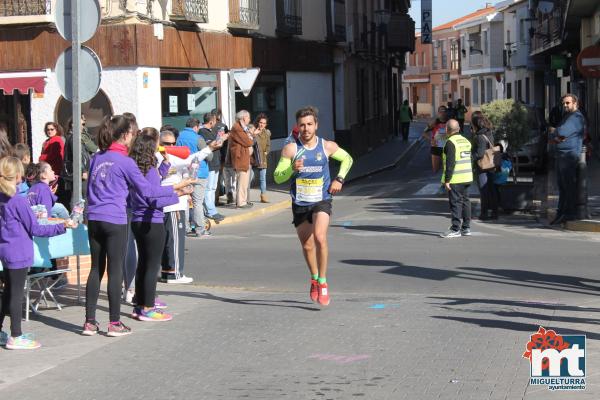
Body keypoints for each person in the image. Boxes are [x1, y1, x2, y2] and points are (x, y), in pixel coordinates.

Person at [83, 115, 190, 337]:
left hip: (93, 217)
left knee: (95, 269)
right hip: (114, 218)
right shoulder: (126, 162)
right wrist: (176, 188)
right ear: (125, 135)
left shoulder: (97, 157)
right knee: (114, 270)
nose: (134, 138)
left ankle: (90, 322)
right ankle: (114, 323)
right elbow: (148, 192)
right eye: (132, 134)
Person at [273, 106, 353, 306]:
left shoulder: (326, 146)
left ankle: (324, 282)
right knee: (307, 246)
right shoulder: (291, 149)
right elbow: (277, 176)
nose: (306, 128)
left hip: (321, 200)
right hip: (300, 203)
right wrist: (291, 169)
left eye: (310, 124)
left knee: (320, 237)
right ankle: (314, 278)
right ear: (297, 127)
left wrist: (339, 179)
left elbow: (348, 159)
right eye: (302, 125)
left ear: (316, 125)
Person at [0, 157, 76, 350]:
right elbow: (37, 228)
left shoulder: (5, 198)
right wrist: (63, 225)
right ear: (17, 175)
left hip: (6, 249)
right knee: (16, 294)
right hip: (18, 251)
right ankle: (15, 335)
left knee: (9, 292)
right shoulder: (18, 200)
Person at [129, 128, 191, 322]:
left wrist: (164, 165)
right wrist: (178, 194)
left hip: (138, 220)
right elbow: (155, 198)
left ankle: (139, 304)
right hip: (152, 221)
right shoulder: (149, 170)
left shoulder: (138, 169)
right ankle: (148, 308)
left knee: (143, 265)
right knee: (151, 266)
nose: (160, 147)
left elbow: (152, 187)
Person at [158, 129, 218, 284]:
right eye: (167, 144)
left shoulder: (169, 156)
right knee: (174, 240)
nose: (170, 146)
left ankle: (168, 272)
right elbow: (192, 158)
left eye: (173, 143)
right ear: (160, 144)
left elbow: (190, 161)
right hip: (172, 203)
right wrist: (209, 149)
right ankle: (174, 273)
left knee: (169, 240)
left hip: (174, 201)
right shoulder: (161, 156)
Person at [548, 93, 586, 225]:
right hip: (561, 154)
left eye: (568, 103)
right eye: (564, 103)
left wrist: (555, 132)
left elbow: (562, 132)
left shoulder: (576, 117)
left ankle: (569, 214)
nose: (565, 105)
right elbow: (556, 137)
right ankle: (561, 213)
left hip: (569, 155)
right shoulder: (567, 116)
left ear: (575, 103)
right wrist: (556, 135)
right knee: (562, 187)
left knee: (568, 186)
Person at [176, 117, 212, 237]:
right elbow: (209, 156)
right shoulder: (198, 138)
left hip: (184, 173)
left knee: (185, 201)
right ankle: (200, 229)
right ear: (196, 127)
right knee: (197, 202)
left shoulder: (179, 137)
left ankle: (185, 228)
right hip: (199, 174)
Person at [440, 119, 473, 238]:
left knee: (455, 203)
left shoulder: (450, 142)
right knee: (466, 202)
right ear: (459, 129)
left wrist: (447, 180)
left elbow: (450, 163)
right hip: (467, 177)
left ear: (447, 130)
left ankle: (455, 229)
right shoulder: (466, 141)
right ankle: (466, 227)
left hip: (456, 178)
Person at [61, 114, 98, 208]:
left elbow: (91, 149)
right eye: (81, 124)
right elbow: (77, 155)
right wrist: (83, 171)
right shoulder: (74, 137)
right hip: (80, 172)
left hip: (80, 171)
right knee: (82, 198)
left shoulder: (77, 136)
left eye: (84, 124)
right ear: (73, 125)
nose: (83, 126)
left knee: (80, 197)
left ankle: (79, 219)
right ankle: (81, 221)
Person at [199, 112, 227, 222]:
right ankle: (210, 211)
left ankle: (212, 209)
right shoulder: (203, 132)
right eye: (215, 121)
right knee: (209, 188)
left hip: (216, 162)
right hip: (209, 164)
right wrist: (222, 139)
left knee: (213, 188)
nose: (216, 123)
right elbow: (213, 145)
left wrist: (221, 137)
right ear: (211, 121)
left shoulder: (211, 131)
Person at [471, 111, 499, 220]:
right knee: (492, 189)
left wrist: (471, 157)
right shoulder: (489, 132)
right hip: (491, 164)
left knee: (484, 190)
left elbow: (480, 153)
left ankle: (484, 213)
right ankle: (494, 212)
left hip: (483, 166)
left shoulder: (479, 136)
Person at [229, 110, 255, 209]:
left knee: (245, 181)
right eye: (248, 117)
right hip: (240, 158)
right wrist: (250, 137)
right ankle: (240, 202)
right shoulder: (237, 128)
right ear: (244, 117)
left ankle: (243, 200)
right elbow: (248, 142)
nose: (249, 119)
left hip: (245, 157)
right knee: (242, 180)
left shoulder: (243, 128)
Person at [422, 106, 448, 173]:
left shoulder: (450, 123)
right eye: (441, 112)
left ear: (446, 113)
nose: (442, 113)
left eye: (444, 111)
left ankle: (445, 182)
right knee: (436, 170)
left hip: (447, 148)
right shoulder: (434, 123)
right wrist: (431, 139)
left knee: (447, 170)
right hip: (436, 148)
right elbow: (424, 133)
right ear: (438, 113)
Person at [253, 113, 271, 203]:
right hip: (253, 158)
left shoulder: (267, 133)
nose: (262, 125)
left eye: (264, 123)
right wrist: (253, 134)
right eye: (260, 122)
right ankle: (243, 197)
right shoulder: (253, 131)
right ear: (257, 122)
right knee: (249, 177)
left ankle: (263, 195)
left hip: (262, 158)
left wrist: (266, 151)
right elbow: (249, 143)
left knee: (262, 178)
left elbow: (268, 145)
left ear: (265, 125)